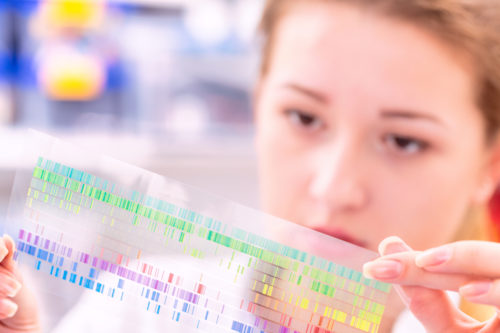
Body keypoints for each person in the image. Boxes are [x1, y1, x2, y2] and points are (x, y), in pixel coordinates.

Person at [2, 0, 500, 331]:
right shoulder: (137, 310)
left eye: (405, 141)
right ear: (259, 104)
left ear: (490, 166)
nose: (334, 187)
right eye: (303, 117)